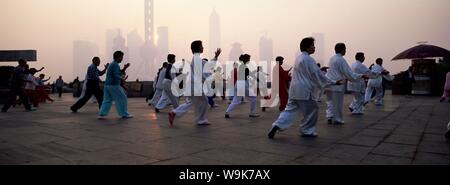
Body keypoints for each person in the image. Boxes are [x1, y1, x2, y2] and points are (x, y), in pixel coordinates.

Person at [268, 37, 344, 139]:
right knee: (313, 110)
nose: (314, 47)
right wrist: (334, 82)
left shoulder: (298, 58)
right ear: (307, 47)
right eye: (313, 45)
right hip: (304, 90)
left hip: (294, 90)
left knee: (289, 110)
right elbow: (317, 75)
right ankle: (307, 130)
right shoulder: (309, 59)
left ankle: (277, 125)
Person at [168, 40, 222, 126]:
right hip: (195, 85)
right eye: (201, 46)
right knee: (204, 101)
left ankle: (174, 112)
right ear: (198, 48)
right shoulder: (197, 59)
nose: (203, 47)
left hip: (193, 85)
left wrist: (215, 57)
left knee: (192, 102)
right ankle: (201, 120)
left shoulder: (196, 58)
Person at [325, 43, 367, 125]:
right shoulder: (341, 60)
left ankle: (330, 116)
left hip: (329, 84)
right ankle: (337, 119)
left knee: (330, 101)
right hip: (338, 84)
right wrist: (361, 75)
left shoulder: (332, 58)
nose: (345, 51)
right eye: (345, 49)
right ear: (342, 49)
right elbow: (349, 73)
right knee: (337, 103)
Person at [98, 51, 133, 119]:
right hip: (113, 85)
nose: (122, 59)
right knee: (122, 98)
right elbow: (116, 75)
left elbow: (118, 72)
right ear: (118, 57)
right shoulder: (115, 64)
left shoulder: (112, 64)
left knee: (107, 100)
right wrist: (122, 79)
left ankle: (102, 113)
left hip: (107, 85)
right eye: (121, 57)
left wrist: (125, 68)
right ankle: (124, 113)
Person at [225, 54, 260, 118]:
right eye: (249, 58)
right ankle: (252, 113)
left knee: (236, 100)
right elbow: (251, 74)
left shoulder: (241, 66)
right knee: (253, 98)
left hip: (238, 84)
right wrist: (257, 79)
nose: (249, 60)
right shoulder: (244, 66)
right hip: (243, 84)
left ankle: (227, 112)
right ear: (246, 59)